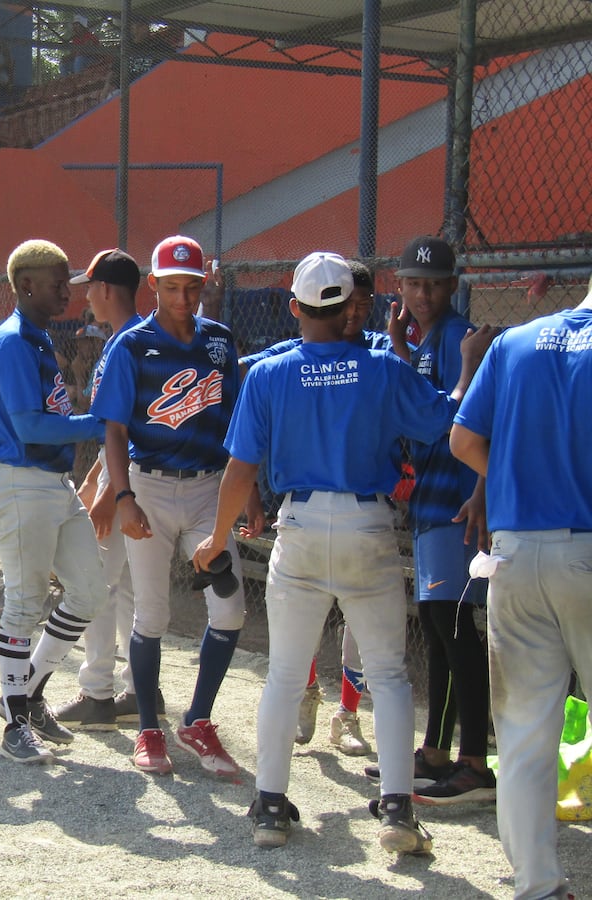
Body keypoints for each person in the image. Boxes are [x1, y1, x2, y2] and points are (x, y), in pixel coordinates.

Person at [192, 250, 489, 852]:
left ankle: (270, 806)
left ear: (296, 307)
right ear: (353, 307)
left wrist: (217, 538)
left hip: (298, 525)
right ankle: (398, 813)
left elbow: (239, 471)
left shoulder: (270, 375)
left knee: (282, 673)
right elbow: (449, 421)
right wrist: (467, 368)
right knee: (388, 672)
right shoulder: (382, 368)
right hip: (367, 525)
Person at [93, 235, 257, 777]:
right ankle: (147, 727)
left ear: (204, 283)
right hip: (151, 487)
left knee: (230, 608)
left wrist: (248, 491)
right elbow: (114, 430)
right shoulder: (132, 345)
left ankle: (198, 720)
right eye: (171, 287)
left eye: (191, 286)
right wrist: (123, 498)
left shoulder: (218, 340)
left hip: (212, 488)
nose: (182, 298)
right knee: (153, 613)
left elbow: (240, 428)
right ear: (153, 286)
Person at [450, 277, 592, 900]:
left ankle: (537, 885)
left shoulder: (515, 342)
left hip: (513, 553)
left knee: (525, 732)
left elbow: (464, 440)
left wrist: (517, 471)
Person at [242, 261, 393, 757]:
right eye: (353, 303)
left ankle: (346, 713)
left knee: (358, 625)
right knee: (299, 631)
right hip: (312, 509)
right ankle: (307, 690)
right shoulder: (291, 358)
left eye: (366, 306)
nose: (358, 313)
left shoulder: (380, 354)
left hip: (367, 505)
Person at [0, 238, 107, 764]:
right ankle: (14, 724)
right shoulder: (11, 341)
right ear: (26, 284)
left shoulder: (36, 339)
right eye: (58, 283)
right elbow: (30, 424)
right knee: (24, 602)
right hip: (19, 479)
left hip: (52, 484)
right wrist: (102, 422)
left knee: (89, 591)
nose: (67, 293)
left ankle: (25, 694)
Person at [386, 236, 496, 805]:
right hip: (430, 503)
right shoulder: (423, 340)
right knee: (434, 624)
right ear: (399, 288)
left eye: (433, 283)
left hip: (454, 504)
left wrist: (482, 489)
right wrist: (402, 350)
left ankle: (474, 762)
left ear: (453, 286)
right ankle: (435, 751)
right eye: (413, 282)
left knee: (454, 628)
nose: (423, 292)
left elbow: (481, 423)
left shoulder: (459, 338)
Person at [53, 249, 147, 731]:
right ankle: (135, 691)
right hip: (132, 477)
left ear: (107, 291)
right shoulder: (139, 336)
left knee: (96, 586)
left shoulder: (124, 343)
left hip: (129, 480)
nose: (86, 296)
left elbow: (126, 431)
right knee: (129, 589)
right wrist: (96, 481)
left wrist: (111, 494)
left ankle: (96, 693)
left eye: (90, 286)